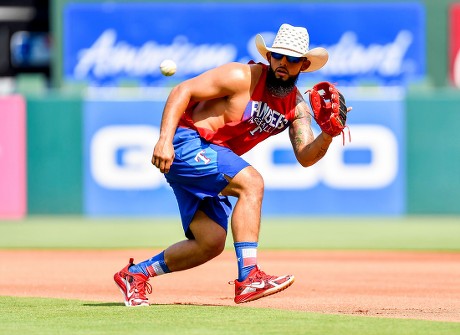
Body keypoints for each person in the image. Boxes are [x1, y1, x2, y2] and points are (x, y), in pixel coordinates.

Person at [114, 23, 350, 307]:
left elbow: (305, 156)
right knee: (252, 182)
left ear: (304, 64)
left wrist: (328, 134)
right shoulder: (242, 76)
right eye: (278, 55)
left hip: (213, 157)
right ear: (269, 56)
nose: (283, 63)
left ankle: (136, 274)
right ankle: (249, 277)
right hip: (189, 143)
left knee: (210, 241)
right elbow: (182, 90)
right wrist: (164, 140)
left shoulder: (297, 107)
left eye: (292, 59)